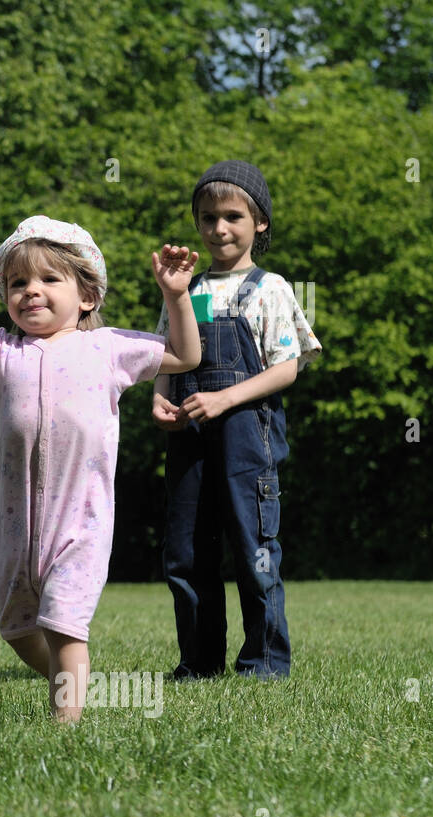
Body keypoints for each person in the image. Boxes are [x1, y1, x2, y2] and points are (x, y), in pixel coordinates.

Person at [0, 216, 202, 721]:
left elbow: (186, 354)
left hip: (82, 521)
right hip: (16, 527)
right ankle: (71, 680)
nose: (31, 291)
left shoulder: (109, 348)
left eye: (50, 279)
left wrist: (176, 296)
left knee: (65, 625)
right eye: (18, 282)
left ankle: (64, 728)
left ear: (88, 295)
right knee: (18, 630)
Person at [152, 160, 321, 680]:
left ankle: (264, 663)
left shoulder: (270, 289)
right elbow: (166, 353)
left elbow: (287, 367)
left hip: (250, 439)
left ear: (259, 222)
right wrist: (160, 396)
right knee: (186, 552)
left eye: (232, 217)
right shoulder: (185, 289)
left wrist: (224, 400)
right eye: (207, 218)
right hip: (190, 437)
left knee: (254, 549)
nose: (218, 228)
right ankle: (199, 662)